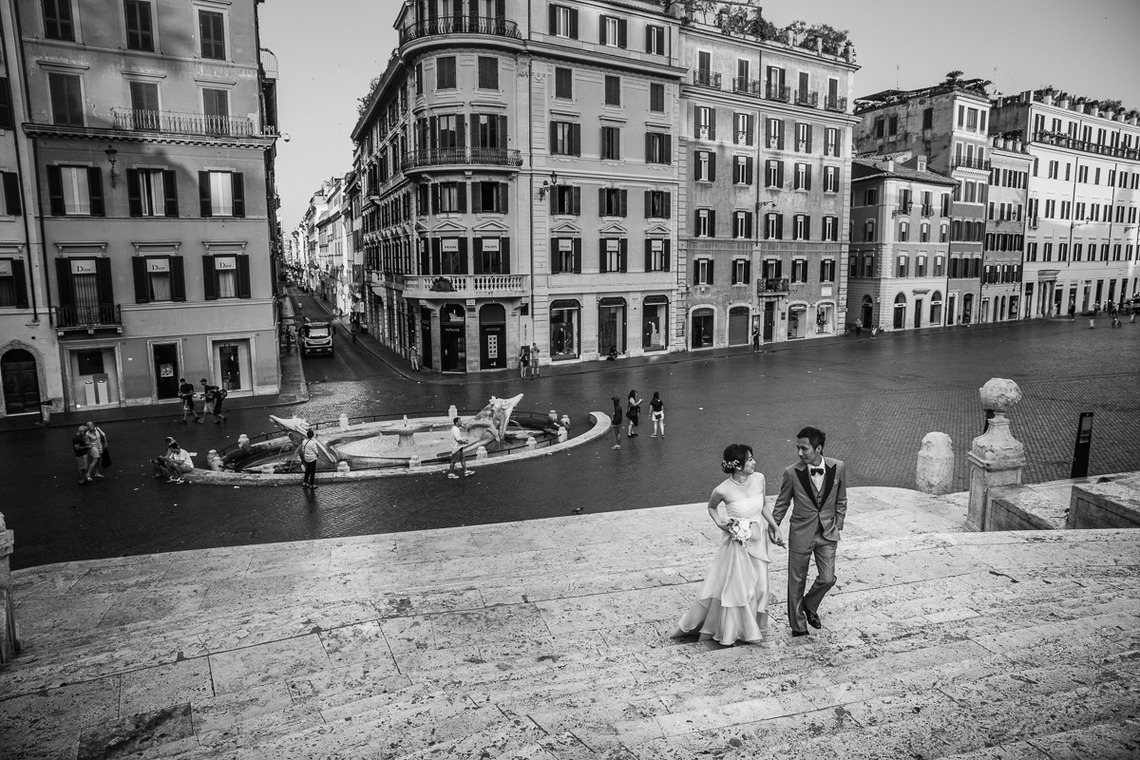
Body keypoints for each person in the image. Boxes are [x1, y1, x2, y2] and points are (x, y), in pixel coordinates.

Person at [673, 444, 783, 646]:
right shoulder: (722, 489)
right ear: (739, 465)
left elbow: (764, 506)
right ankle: (737, 630)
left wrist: (775, 526)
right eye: (750, 459)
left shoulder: (759, 478)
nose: (754, 462)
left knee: (760, 587)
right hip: (737, 546)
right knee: (739, 588)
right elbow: (712, 507)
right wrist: (721, 524)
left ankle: (752, 625)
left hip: (758, 542)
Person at [771, 426, 848, 638]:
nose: (799, 453)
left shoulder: (838, 467)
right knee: (796, 580)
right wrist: (774, 526)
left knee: (827, 578)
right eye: (798, 448)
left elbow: (841, 499)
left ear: (818, 448)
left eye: (804, 448)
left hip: (827, 533)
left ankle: (809, 603)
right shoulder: (791, 472)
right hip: (800, 533)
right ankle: (799, 627)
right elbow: (782, 503)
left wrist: (838, 523)